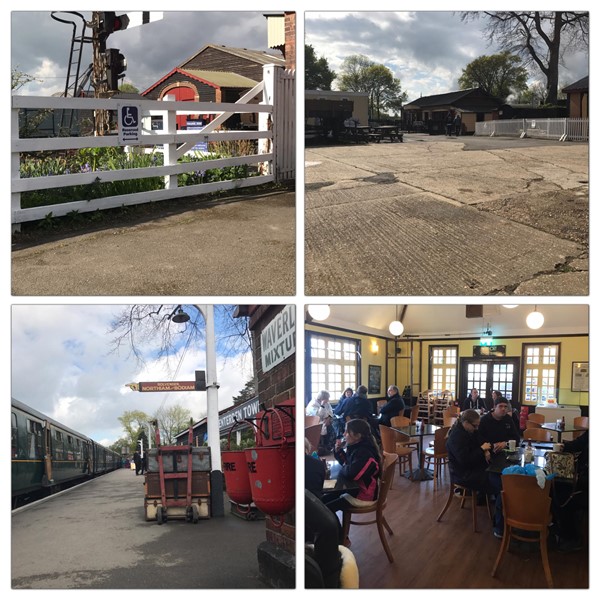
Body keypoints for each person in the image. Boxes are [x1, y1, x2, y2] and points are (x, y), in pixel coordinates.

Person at [322, 419, 382, 545]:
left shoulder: (365, 453)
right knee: (321, 501)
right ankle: (338, 536)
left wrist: (346, 468)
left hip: (364, 495)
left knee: (325, 509)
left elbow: (351, 473)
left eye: (347, 432)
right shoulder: (356, 447)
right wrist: (339, 451)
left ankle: (342, 538)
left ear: (358, 436)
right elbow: (347, 465)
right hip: (354, 488)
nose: (343, 434)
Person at [446, 409, 503, 537]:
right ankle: (500, 527)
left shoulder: (468, 431)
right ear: (466, 423)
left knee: (501, 478)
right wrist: (482, 450)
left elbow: (481, 440)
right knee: (502, 485)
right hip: (464, 475)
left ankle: (502, 520)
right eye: (475, 425)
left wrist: (486, 450)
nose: (477, 428)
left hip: (473, 469)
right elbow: (465, 460)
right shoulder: (456, 436)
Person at [306, 390, 336, 455]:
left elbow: (330, 411)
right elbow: (317, 415)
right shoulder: (313, 404)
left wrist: (328, 418)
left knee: (333, 426)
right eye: (327, 398)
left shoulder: (326, 403)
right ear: (322, 398)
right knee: (323, 429)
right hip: (314, 422)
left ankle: (328, 447)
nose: (328, 400)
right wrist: (322, 406)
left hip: (325, 420)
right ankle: (322, 448)